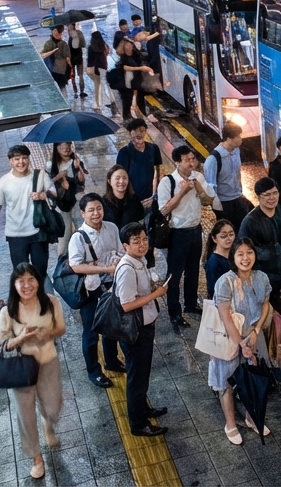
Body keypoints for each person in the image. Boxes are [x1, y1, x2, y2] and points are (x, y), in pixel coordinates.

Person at [0, 262, 67, 480]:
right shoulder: (8, 310)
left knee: (53, 406)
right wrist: (22, 338)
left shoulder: (51, 302)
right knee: (25, 416)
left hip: (48, 363)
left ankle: (48, 421)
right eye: (21, 281)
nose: (27, 285)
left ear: (38, 281)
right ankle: (36, 458)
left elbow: (61, 328)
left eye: (31, 279)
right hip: (20, 369)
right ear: (14, 284)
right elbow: (2, 343)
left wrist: (48, 333)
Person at [210, 237, 273, 445]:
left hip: (254, 335)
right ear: (233, 257)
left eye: (249, 253)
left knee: (253, 377)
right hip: (231, 338)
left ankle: (251, 417)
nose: (245, 258)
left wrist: (256, 331)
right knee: (227, 381)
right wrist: (242, 344)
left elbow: (265, 305)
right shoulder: (225, 282)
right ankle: (230, 423)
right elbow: (226, 316)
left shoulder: (261, 277)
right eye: (240, 254)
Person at [114, 222, 169, 437]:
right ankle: (138, 424)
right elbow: (126, 304)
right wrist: (156, 295)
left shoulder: (139, 261)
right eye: (136, 241)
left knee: (142, 374)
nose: (142, 244)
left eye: (144, 239)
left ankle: (143, 409)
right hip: (135, 331)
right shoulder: (127, 268)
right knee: (136, 377)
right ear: (125, 245)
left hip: (144, 326)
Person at [156, 144, 215, 332]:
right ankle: (174, 312)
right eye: (187, 160)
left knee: (193, 270)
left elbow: (208, 201)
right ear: (177, 161)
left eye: (193, 159)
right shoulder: (167, 182)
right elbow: (164, 209)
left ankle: (191, 303)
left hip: (195, 230)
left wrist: (197, 187)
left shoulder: (198, 177)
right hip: (177, 233)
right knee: (174, 274)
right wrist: (182, 191)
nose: (192, 163)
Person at [69, 193, 126, 388]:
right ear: (83, 213)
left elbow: (121, 250)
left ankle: (111, 361)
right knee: (91, 332)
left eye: (99, 208)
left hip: (112, 286)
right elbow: (76, 266)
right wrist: (104, 268)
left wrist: (118, 260)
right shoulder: (78, 238)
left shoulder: (111, 228)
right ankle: (94, 371)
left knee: (112, 326)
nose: (96, 213)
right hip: (91, 290)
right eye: (91, 210)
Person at [0, 144, 54, 278]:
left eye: (24, 158)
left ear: (29, 159)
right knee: (21, 273)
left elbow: (55, 194)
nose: (21, 162)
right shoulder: (3, 182)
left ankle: (41, 296)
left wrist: (43, 195)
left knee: (40, 271)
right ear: (10, 161)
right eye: (17, 159)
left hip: (38, 232)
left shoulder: (40, 176)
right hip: (15, 235)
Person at [238, 177, 281, 309]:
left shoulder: (280, 211)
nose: (272, 198)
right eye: (267, 195)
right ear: (258, 197)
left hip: (277, 275)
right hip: (259, 277)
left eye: (275, 193)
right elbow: (243, 252)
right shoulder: (250, 222)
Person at [206, 122, 252, 229]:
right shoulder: (214, 159)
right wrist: (217, 211)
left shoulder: (236, 151)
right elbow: (211, 187)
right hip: (224, 204)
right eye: (238, 136)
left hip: (238, 198)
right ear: (228, 139)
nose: (241, 139)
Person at [48, 141, 87, 255]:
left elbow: (82, 180)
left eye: (68, 145)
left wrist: (78, 166)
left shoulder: (75, 161)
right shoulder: (51, 165)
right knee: (65, 232)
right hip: (60, 202)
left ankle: (84, 255)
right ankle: (63, 258)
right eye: (62, 146)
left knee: (81, 227)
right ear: (57, 148)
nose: (65, 148)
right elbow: (47, 184)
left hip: (76, 198)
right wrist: (58, 177)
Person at [116, 118, 163, 208]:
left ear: (145, 132)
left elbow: (157, 172)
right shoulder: (124, 153)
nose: (139, 133)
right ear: (130, 133)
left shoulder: (153, 148)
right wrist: (133, 199)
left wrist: (154, 195)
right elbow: (122, 177)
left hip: (150, 197)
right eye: (135, 131)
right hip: (131, 200)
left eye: (142, 130)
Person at [110, 38, 152, 121]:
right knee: (127, 100)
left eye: (130, 45)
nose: (129, 47)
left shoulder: (136, 54)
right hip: (127, 82)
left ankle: (142, 116)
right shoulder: (123, 57)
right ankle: (127, 118)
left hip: (137, 80)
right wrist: (140, 68)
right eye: (127, 45)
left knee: (140, 99)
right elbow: (125, 67)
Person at [203, 219, 236, 298]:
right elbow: (213, 290)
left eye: (231, 234)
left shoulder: (234, 255)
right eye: (223, 236)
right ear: (215, 239)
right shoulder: (214, 262)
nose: (228, 238)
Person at [86, 30, 111, 111]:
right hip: (102, 67)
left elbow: (89, 59)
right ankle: (100, 102)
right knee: (100, 85)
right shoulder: (104, 46)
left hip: (91, 69)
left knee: (97, 85)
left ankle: (97, 103)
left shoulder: (91, 47)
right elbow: (107, 54)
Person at [41, 25, 72, 91]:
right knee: (62, 89)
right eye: (54, 30)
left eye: (55, 30)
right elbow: (43, 55)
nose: (54, 32)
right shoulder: (50, 43)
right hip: (58, 70)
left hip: (57, 70)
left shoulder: (52, 43)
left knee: (60, 89)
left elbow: (67, 58)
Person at [67, 22, 87, 99]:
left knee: (74, 76)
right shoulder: (79, 33)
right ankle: (81, 91)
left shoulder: (71, 35)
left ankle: (76, 92)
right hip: (78, 57)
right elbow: (83, 44)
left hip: (73, 58)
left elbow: (69, 48)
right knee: (80, 75)